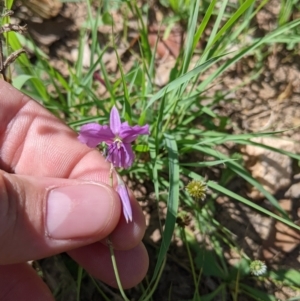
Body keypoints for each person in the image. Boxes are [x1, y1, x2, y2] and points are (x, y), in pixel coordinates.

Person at [0, 80, 149, 300]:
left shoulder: (119, 141)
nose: (116, 142)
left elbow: (136, 132)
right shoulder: (109, 139)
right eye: (114, 140)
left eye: (120, 140)